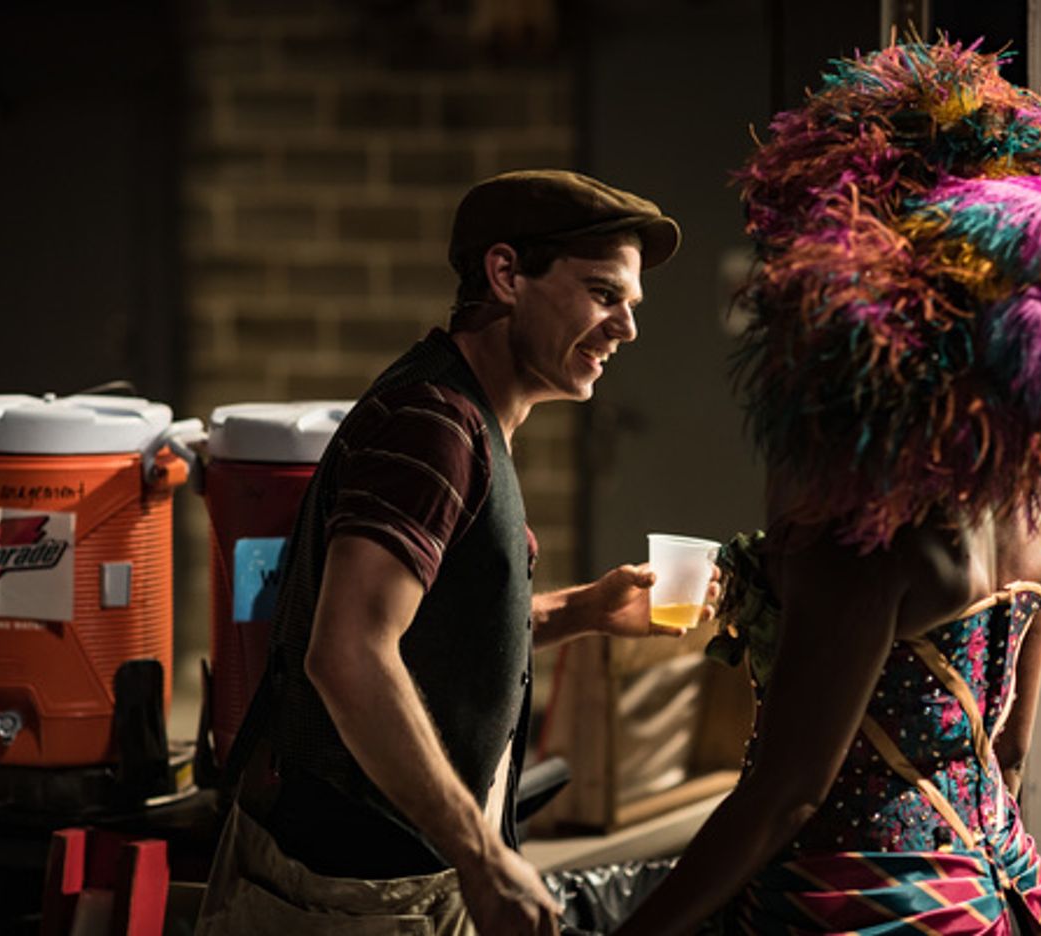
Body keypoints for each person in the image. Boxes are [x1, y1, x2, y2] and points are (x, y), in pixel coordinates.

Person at [615, 39, 1041, 935]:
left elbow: (786, 798)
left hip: (855, 905)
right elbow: (1009, 754)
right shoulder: (1037, 535)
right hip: (996, 888)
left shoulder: (865, 548)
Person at [196, 169, 709, 935]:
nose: (626, 328)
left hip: (403, 880)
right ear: (506, 275)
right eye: (604, 294)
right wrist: (481, 854)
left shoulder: (468, 419)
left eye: (631, 305)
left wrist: (582, 611)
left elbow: (429, 634)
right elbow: (349, 653)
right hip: (359, 893)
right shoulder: (431, 427)